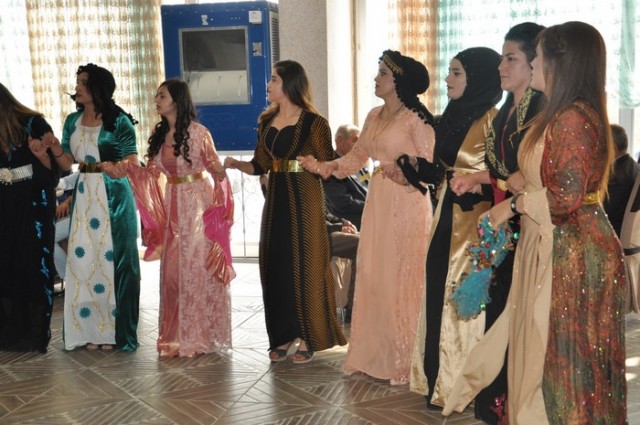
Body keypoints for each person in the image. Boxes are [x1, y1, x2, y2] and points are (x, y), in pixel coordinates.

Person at [444, 22, 628, 424]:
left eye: (539, 56)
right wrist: (510, 186)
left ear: (560, 63)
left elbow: (564, 199)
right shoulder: (558, 114)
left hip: (570, 249)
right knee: (536, 352)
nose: (534, 63)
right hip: (547, 239)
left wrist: (509, 207)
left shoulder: (572, 117)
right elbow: (544, 179)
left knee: (564, 363)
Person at [299, 50, 436, 384]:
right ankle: (371, 355)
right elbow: (355, 158)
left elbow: (432, 165)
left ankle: (402, 358)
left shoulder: (416, 118)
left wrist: (405, 172)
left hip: (407, 202)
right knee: (374, 272)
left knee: (401, 276)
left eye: (383, 73)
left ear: (398, 80)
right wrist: (324, 166)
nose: (376, 78)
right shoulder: (374, 115)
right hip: (378, 202)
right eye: (378, 72)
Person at [395, 47, 502, 407]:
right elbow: (441, 170)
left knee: (462, 296)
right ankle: (437, 379)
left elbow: (506, 176)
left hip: (477, 224)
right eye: (449, 71)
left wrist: (476, 183)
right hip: (444, 216)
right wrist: (413, 165)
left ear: (477, 78)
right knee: (438, 290)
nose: (447, 79)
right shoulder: (452, 117)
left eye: (456, 73)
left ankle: (462, 384)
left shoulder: (493, 121)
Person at [224, 60, 346, 364]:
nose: (268, 84)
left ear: (289, 83)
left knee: (306, 264)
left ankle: (308, 337)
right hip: (276, 198)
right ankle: (283, 335)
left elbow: (328, 165)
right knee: (275, 264)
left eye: (274, 79)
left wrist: (316, 165)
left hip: (306, 198)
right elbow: (261, 164)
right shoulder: (267, 120)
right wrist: (238, 165)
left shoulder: (315, 123)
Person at [126, 79, 234, 357]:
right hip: (173, 206)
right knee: (173, 274)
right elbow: (150, 175)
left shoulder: (199, 133)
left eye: (162, 96)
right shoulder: (160, 135)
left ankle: (199, 337)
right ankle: (175, 337)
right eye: (157, 96)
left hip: (198, 206)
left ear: (176, 99)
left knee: (195, 270)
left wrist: (220, 171)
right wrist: (126, 169)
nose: (156, 100)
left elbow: (213, 167)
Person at [474, 22, 545, 423]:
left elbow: (538, 177)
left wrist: (513, 189)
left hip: (529, 222)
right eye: (502, 58)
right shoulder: (506, 112)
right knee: (498, 309)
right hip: (504, 219)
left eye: (510, 58)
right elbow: (503, 174)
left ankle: (516, 404)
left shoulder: (542, 111)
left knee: (520, 317)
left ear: (535, 63)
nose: (501, 66)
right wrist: (479, 179)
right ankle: (497, 403)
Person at [58, 63, 142, 352]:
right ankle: (89, 330)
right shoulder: (72, 121)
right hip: (84, 195)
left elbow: (133, 160)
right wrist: (52, 148)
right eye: (78, 82)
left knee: (115, 260)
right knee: (84, 260)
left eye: (83, 82)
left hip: (113, 194)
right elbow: (66, 162)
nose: (77, 87)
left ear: (97, 88)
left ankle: (115, 332)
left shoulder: (119, 121)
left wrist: (117, 166)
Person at [0, 83, 60, 353]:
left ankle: (34, 334)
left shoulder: (33, 123)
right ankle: (7, 333)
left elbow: (53, 171)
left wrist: (42, 156)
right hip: (4, 207)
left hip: (33, 206)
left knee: (33, 264)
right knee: (6, 265)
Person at [323, 124, 367, 229]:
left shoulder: (358, 165)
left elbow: (367, 185)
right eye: (355, 140)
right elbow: (342, 203)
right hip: (352, 225)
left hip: (371, 216)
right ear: (340, 141)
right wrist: (371, 206)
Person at [605, 124, 640, 237]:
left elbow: (605, 212)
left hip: (614, 235)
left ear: (613, 146)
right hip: (632, 235)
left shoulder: (614, 176)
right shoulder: (636, 167)